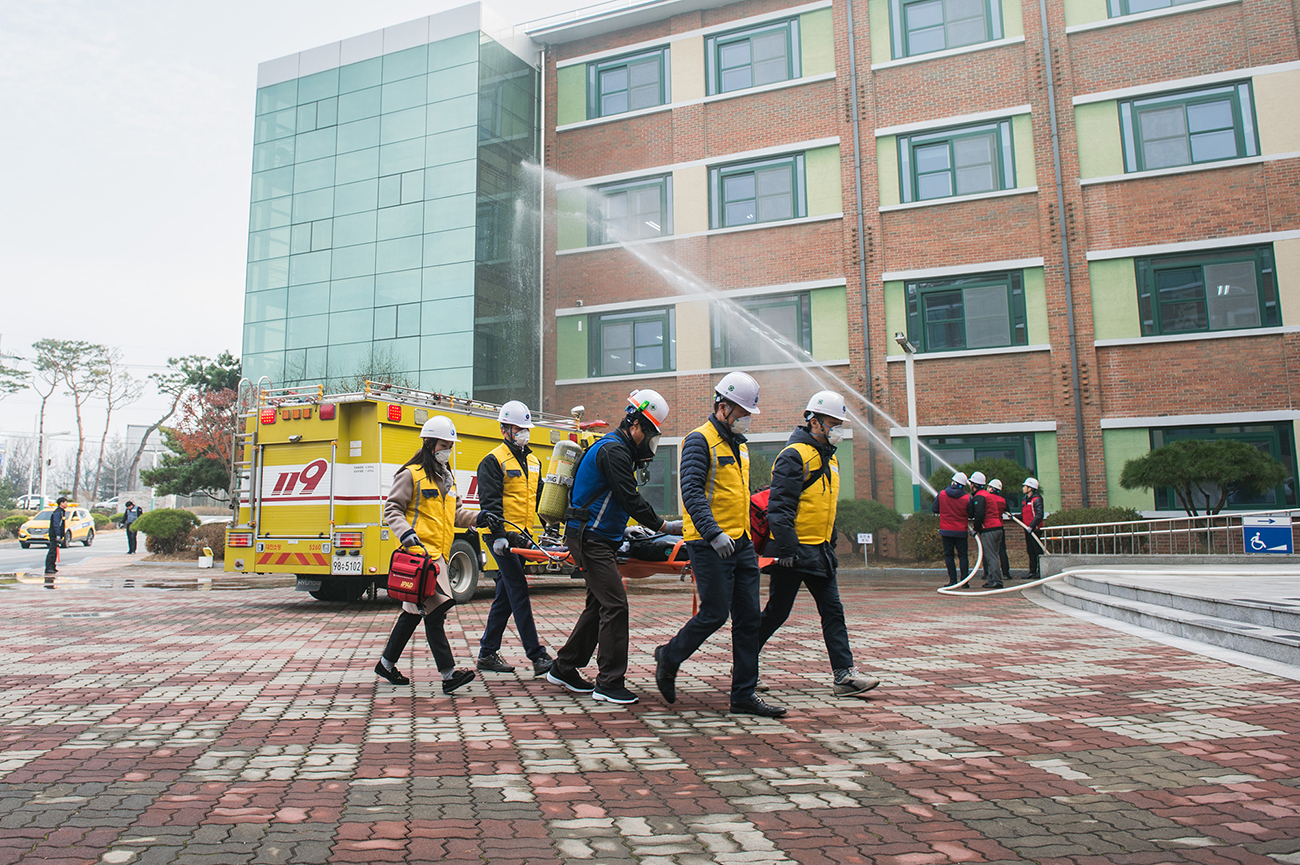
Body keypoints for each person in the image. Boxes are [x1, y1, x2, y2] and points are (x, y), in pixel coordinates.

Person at [654, 371, 786, 718]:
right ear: (722, 406)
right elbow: (693, 493)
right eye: (741, 413)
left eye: (746, 414)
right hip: (708, 543)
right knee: (714, 613)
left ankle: (743, 694)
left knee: (748, 620)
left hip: (740, 544)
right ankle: (669, 655)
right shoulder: (699, 441)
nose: (744, 419)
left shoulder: (738, 446)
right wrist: (713, 533)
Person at [547, 389, 679, 705]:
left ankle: (564, 667)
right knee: (615, 605)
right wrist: (663, 527)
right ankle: (609, 682)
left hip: (598, 538)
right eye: (648, 434)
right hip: (591, 540)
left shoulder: (616, 449)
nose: (648, 442)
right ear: (635, 425)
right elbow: (628, 498)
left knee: (599, 605)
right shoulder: (614, 451)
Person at [756, 391, 880, 698]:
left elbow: (827, 505)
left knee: (832, 610)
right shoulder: (794, 455)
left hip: (820, 551)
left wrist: (831, 541)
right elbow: (779, 507)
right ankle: (745, 663)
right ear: (814, 421)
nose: (838, 428)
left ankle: (845, 676)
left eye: (840, 422)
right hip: (793, 553)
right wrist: (786, 550)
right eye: (833, 422)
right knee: (777, 613)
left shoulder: (831, 458)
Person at [374, 416, 479, 694]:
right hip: (421, 559)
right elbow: (392, 509)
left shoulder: (447, 478)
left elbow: (456, 515)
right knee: (435, 613)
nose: (448, 450)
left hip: (438, 559)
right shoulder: (411, 474)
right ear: (430, 443)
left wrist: (480, 518)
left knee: (413, 614)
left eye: (451, 445)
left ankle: (386, 664)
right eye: (444, 445)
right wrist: (408, 537)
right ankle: (448, 674)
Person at [475, 400, 554, 678]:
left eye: (525, 428)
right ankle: (537, 655)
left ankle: (487, 652)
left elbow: (540, 500)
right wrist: (498, 537)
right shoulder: (493, 461)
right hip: (501, 538)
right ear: (504, 429)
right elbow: (490, 502)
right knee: (518, 590)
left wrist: (552, 523)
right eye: (517, 428)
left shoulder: (534, 461)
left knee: (506, 595)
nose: (523, 433)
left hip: (522, 537)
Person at [931, 472, 971, 587]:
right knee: (963, 556)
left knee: (949, 556)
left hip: (946, 530)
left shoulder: (942, 494)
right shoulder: (966, 498)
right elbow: (971, 513)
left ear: (953, 482)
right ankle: (965, 582)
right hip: (961, 531)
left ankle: (952, 581)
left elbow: (935, 509)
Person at [969, 472, 1007, 589]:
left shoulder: (980, 496)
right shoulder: (986, 495)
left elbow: (979, 514)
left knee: (991, 557)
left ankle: (997, 581)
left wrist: (976, 528)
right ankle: (991, 580)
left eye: (971, 483)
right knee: (993, 555)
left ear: (974, 484)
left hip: (989, 529)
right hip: (997, 528)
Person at [1021, 477, 1046, 580]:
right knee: (1030, 551)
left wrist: (1032, 525)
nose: (1023, 488)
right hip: (1027, 529)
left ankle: (1040, 571)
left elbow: (1039, 515)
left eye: (1025, 486)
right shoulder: (1026, 500)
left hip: (1035, 529)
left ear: (1030, 488)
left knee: (1037, 551)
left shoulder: (1037, 500)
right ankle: (1032, 571)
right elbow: (1024, 514)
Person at [989, 479, 1013, 580]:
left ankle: (989, 574)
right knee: (1002, 551)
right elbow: (1007, 510)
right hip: (1000, 527)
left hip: (989, 528)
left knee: (990, 552)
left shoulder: (987, 498)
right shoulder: (1002, 500)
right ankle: (1006, 573)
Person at [44, 497, 68, 575]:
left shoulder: (61, 512)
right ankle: (49, 567)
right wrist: (57, 534)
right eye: (65, 502)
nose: (66, 504)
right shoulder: (57, 512)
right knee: (52, 551)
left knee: (55, 551)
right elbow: (56, 524)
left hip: (57, 534)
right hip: (54, 534)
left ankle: (53, 566)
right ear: (61, 503)